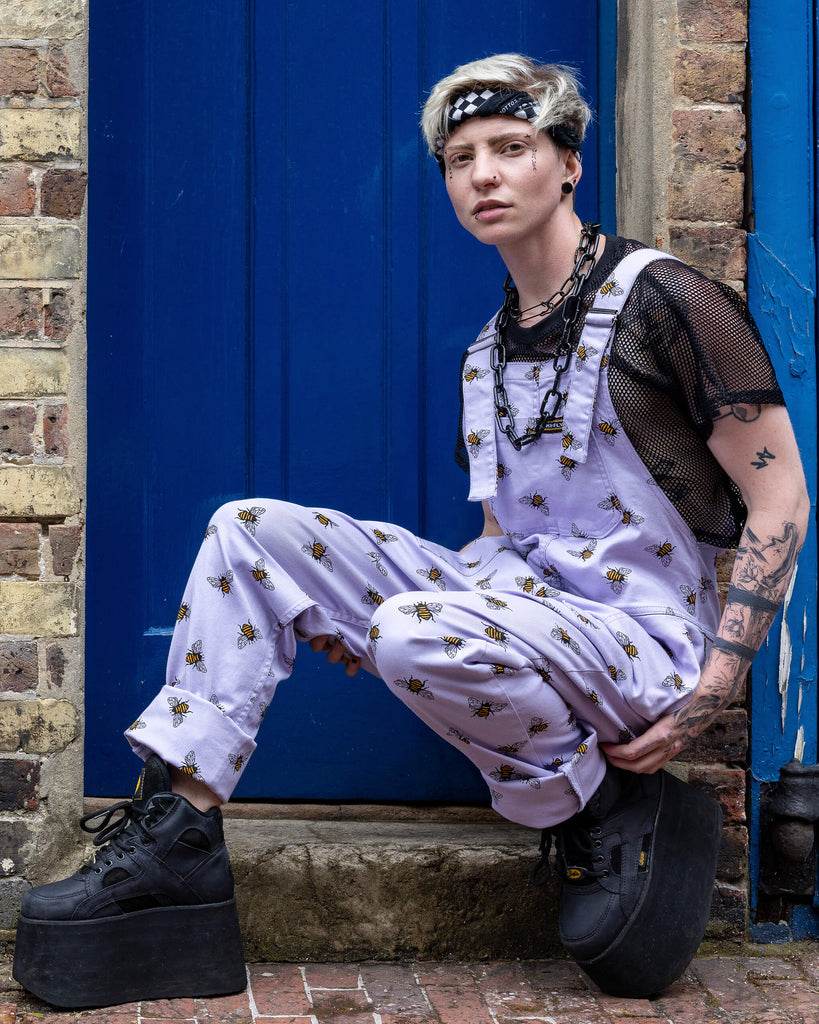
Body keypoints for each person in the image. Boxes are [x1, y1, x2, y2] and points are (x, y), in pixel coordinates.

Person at [14, 53, 809, 1007]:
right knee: (248, 530)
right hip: (526, 611)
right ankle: (180, 833)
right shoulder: (488, 349)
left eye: (511, 148)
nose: (483, 175)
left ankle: (598, 804)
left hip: (643, 641)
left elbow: (782, 499)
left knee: (412, 628)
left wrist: (717, 684)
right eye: (460, 157)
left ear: (567, 165)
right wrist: (396, 614)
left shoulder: (665, 298)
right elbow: (497, 540)